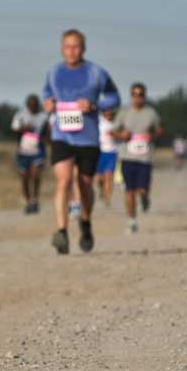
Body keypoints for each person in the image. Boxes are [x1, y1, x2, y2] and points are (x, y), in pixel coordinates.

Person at [42, 29, 120, 254]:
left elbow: (114, 97)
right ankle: (62, 232)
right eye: (67, 46)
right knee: (63, 181)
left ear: (83, 49)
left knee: (85, 185)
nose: (71, 51)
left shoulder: (96, 73)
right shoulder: (54, 72)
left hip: (88, 138)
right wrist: (47, 103)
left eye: (76, 46)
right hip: (62, 136)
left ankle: (85, 223)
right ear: (61, 48)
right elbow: (46, 95)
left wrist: (95, 106)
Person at [112, 83, 162, 233]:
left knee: (142, 189)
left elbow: (160, 130)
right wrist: (122, 135)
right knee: (129, 191)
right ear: (131, 96)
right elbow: (113, 131)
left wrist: (152, 135)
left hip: (145, 158)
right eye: (135, 94)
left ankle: (145, 198)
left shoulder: (151, 113)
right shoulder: (124, 112)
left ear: (144, 96)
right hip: (127, 156)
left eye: (140, 94)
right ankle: (132, 220)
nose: (138, 97)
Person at [11, 94, 49, 214]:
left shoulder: (43, 116)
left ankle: (35, 200)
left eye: (35, 105)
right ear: (27, 105)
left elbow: (48, 131)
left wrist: (46, 139)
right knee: (25, 178)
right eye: (31, 105)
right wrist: (24, 128)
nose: (33, 107)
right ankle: (28, 202)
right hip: (23, 151)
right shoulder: (20, 115)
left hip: (38, 151)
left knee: (36, 175)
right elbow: (14, 130)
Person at [95, 109, 118, 207]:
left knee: (109, 176)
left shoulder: (116, 123)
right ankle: (101, 189)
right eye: (107, 111)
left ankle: (107, 198)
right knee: (99, 178)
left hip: (112, 153)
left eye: (110, 111)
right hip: (100, 152)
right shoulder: (99, 121)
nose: (109, 113)